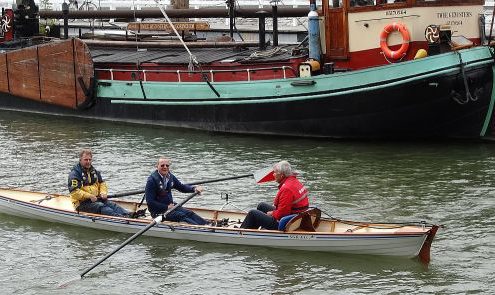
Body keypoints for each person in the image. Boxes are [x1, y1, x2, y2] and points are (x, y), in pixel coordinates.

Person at [240, 161, 310, 230]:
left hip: (286, 222)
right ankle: (254, 230)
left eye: (275, 172)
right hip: (295, 217)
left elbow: (282, 214)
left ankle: (241, 233)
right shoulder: (294, 181)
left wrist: (272, 213)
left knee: (253, 213)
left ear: (282, 175)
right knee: (261, 206)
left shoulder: (287, 189)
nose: (273, 174)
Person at [68, 148, 130, 217]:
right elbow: (74, 192)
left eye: (90, 160)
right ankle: (121, 218)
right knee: (101, 206)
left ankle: (129, 215)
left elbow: (102, 183)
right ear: (80, 160)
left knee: (112, 204)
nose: (88, 162)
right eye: (85, 160)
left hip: (96, 199)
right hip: (81, 204)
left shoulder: (94, 171)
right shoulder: (75, 174)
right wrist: (89, 196)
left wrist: (103, 192)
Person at [145, 157, 207, 225]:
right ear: (157, 166)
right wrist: (166, 207)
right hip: (158, 212)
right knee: (180, 216)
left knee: (189, 213)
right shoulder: (151, 181)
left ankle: (207, 224)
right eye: (162, 165)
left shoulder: (170, 176)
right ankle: (201, 229)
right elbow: (150, 202)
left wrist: (194, 188)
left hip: (171, 207)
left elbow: (181, 187)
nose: (165, 167)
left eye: (167, 165)